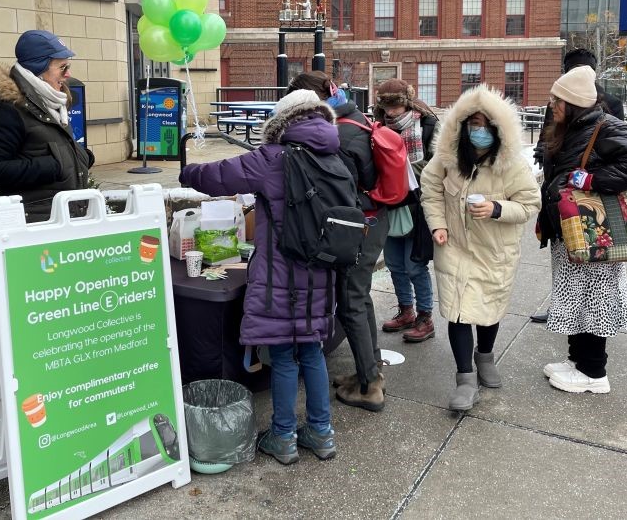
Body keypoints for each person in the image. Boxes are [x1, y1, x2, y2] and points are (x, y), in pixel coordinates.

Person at [180, 90, 338, 465]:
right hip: (321, 274)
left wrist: (186, 169)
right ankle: (321, 433)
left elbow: (218, 177)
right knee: (312, 351)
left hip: (280, 276)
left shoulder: (274, 158)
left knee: (283, 355)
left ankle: (283, 437)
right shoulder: (334, 156)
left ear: (282, 121)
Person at [420, 85, 541, 410]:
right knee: (458, 312)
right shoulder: (447, 160)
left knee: (488, 311)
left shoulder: (512, 165)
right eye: (473, 124)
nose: (479, 131)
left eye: (486, 125)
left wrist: (497, 209)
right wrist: (438, 225)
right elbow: (430, 190)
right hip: (455, 247)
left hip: (494, 252)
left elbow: (530, 203)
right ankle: (465, 378)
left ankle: (484, 356)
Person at [536, 65, 627, 394]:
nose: (552, 105)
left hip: (595, 229)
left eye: (558, 100)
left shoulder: (605, 127)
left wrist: (591, 180)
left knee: (594, 298)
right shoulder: (569, 128)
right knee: (575, 297)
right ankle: (577, 360)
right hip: (571, 227)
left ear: (573, 103)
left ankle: (594, 371)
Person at [287, 71, 389, 412]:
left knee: (350, 302)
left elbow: (338, 192)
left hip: (359, 225)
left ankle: (370, 387)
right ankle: (368, 371)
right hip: (371, 220)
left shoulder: (340, 135)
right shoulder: (353, 118)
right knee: (359, 298)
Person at [531, 47, 625, 323]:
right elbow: (549, 133)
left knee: (592, 266)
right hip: (557, 192)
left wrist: (593, 179)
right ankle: (564, 308)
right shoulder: (561, 101)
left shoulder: (608, 105)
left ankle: (592, 323)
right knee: (562, 256)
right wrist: (541, 151)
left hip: (587, 199)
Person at [0, 29, 94, 223]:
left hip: (65, 218)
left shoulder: (52, 102)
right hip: (37, 225)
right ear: (38, 69)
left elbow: (47, 149)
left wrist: (81, 158)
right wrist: (50, 167)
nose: (68, 74)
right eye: (62, 67)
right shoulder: (8, 110)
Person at [373, 78, 439, 342]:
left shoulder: (427, 124)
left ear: (407, 103)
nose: (391, 113)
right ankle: (406, 310)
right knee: (394, 264)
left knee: (415, 265)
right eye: (386, 107)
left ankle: (425, 317)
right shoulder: (376, 125)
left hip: (416, 202)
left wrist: (400, 171)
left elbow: (436, 165)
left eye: (396, 106)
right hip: (388, 202)